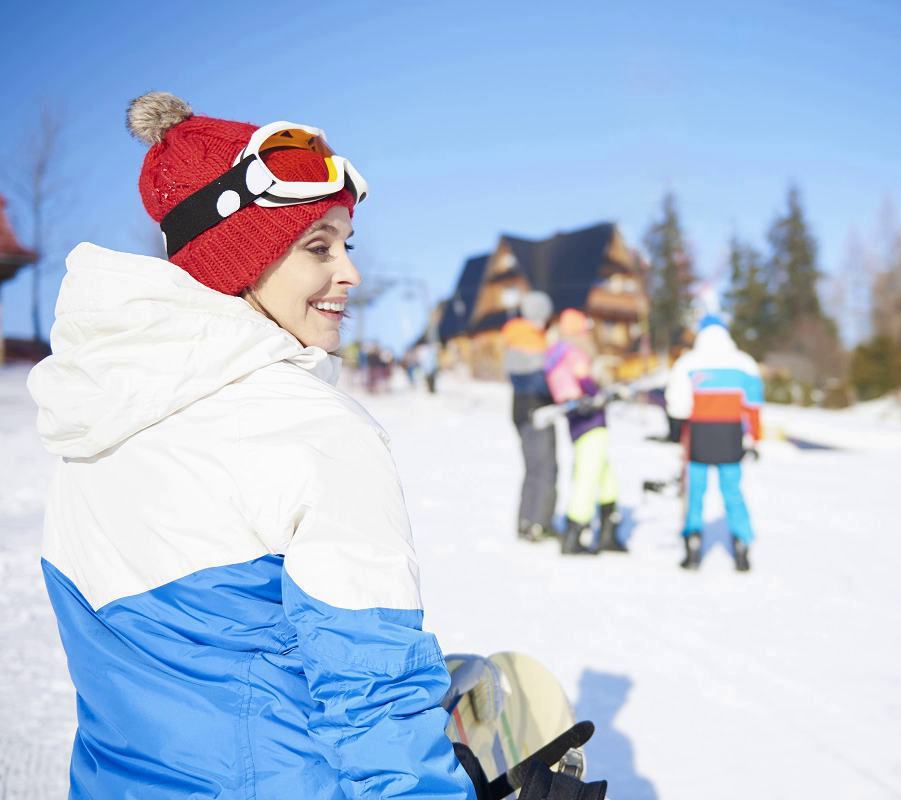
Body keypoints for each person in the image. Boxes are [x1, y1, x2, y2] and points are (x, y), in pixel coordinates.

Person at [26, 92, 478, 799]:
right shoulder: (318, 431)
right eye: (318, 247)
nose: (350, 273)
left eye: (347, 245)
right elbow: (375, 703)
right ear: (240, 259)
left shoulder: (91, 422)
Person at [664, 312, 764, 571]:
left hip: (699, 434)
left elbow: (677, 405)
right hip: (731, 436)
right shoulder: (744, 363)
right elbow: (753, 405)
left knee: (695, 491)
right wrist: (754, 439)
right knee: (732, 491)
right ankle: (741, 543)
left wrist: (677, 431)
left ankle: (693, 542)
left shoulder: (689, 362)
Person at [544, 309, 625, 555]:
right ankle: (574, 534)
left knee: (606, 477)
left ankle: (609, 532)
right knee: (587, 477)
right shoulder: (574, 352)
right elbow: (585, 385)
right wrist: (602, 392)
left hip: (579, 423)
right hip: (590, 423)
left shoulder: (555, 355)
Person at [501, 291, 557, 542]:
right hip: (538, 411)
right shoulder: (533, 340)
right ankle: (539, 524)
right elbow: (539, 381)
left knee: (532, 468)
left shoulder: (515, 335)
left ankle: (526, 520)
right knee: (545, 468)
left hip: (520, 410)